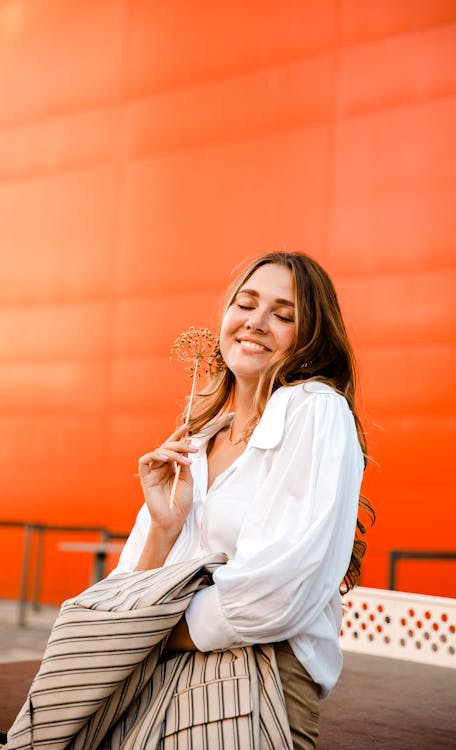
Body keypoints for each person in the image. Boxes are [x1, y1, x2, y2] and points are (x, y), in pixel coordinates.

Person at [113, 251, 374, 749]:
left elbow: (276, 596)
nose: (256, 322)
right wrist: (165, 528)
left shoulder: (315, 411)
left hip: (253, 686)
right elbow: (127, 586)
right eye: (246, 304)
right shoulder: (198, 438)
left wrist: (153, 632)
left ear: (311, 337)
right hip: (154, 688)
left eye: (283, 315)